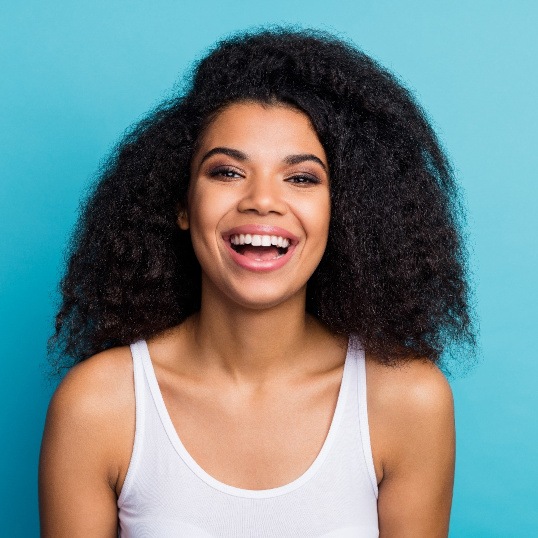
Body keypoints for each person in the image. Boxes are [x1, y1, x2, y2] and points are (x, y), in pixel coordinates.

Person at [39, 28, 474, 537]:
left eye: (302, 178)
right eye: (227, 172)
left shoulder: (407, 402)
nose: (262, 200)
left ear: (343, 212)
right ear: (181, 203)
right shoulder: (99, 407)